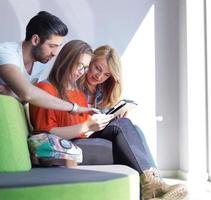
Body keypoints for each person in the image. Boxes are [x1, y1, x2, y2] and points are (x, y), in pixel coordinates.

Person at [30, 41, 187, 200]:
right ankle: (153, 187)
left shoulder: (76, 93)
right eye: (80, 66)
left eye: (84, 67)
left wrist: (97, 124)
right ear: (66, 60)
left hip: (78, 143)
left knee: (124, 127)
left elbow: (84, 131)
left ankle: (153, 185)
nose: (82, 72)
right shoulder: (45, 89)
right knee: (125, 146)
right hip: (58, 150)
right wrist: (86, 126)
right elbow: (46, 135)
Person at [0, 11, 95, 114]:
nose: (55, 53)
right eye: (52, 46)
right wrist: (74, 108)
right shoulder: (7, 53)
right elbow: (28, 94)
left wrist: (12, 93)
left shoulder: (39, 63)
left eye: (58, 46)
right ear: (35, 40)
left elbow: (28, 99)